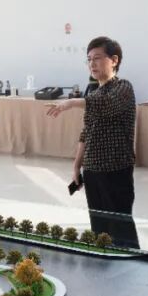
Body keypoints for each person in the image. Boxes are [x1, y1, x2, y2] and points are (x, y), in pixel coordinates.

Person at [46, 37, 139, 248]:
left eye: (97, 58)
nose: (92, 64)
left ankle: (129, 261)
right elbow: (86, 131)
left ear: (114, 60)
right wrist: (76, 166)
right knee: (99, 228)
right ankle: (102, 260)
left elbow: (105, 104)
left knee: (121, 229)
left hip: (116, 169)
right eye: (89, 59)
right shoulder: (93, 93)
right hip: (93, 170)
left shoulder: (123, 88)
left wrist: (71, 102)